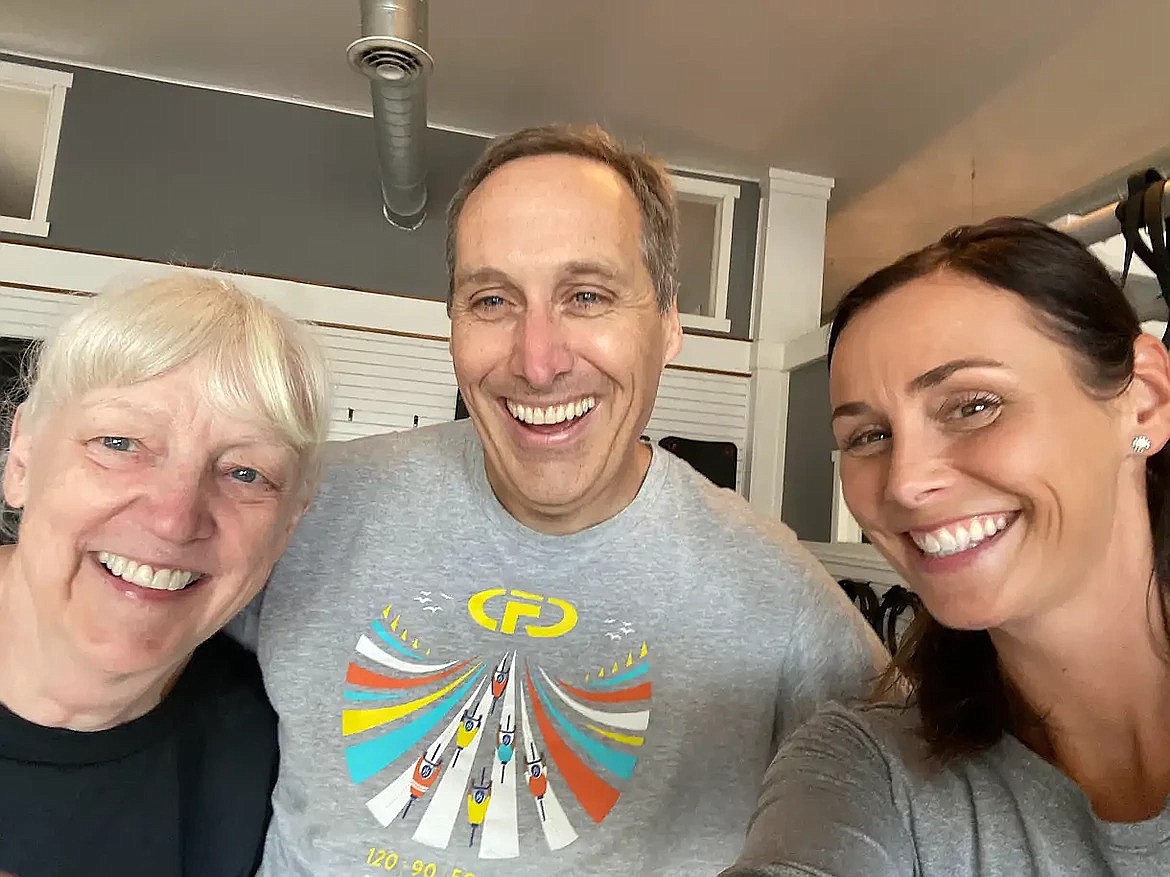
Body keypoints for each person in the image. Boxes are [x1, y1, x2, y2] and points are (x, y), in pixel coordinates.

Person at [246, 123, 888, 876]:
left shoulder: (773, 592)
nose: (538, 361)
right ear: (452, 320)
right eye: (492, 299)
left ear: (669, 322)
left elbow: (934, 795)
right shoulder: (310, 501)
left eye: (587, 296)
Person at [722, 216, 1170, 877]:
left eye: (973, 405)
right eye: (868, 436)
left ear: (1145, 402)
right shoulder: (869, 768)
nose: (905, 484)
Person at [0, 274, 332, 877]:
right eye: (121, 443)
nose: (175, 520)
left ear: (289, 526)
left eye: (245, 474)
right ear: (22, 457)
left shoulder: (275, 753)